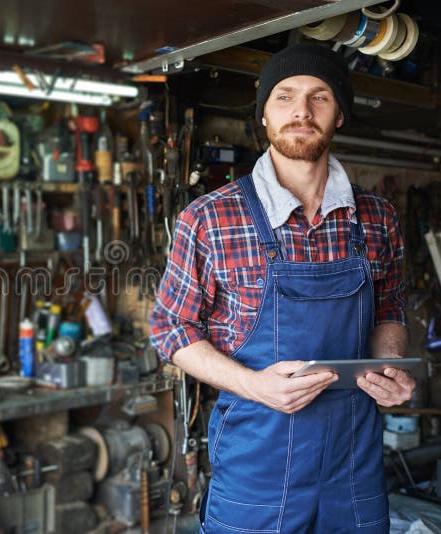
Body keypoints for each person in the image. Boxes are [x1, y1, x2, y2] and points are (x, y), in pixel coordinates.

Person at [149, 44, 416, 533]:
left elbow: (390, 308)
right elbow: (170, 328)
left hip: (353, 467)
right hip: (257, 472)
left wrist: (390, 366)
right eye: (284, 97)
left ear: (339, 116)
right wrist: (255, 386)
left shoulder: (377, 217)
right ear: (265, 118)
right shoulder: (210, 218)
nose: (301, 111)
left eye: (320, 97)